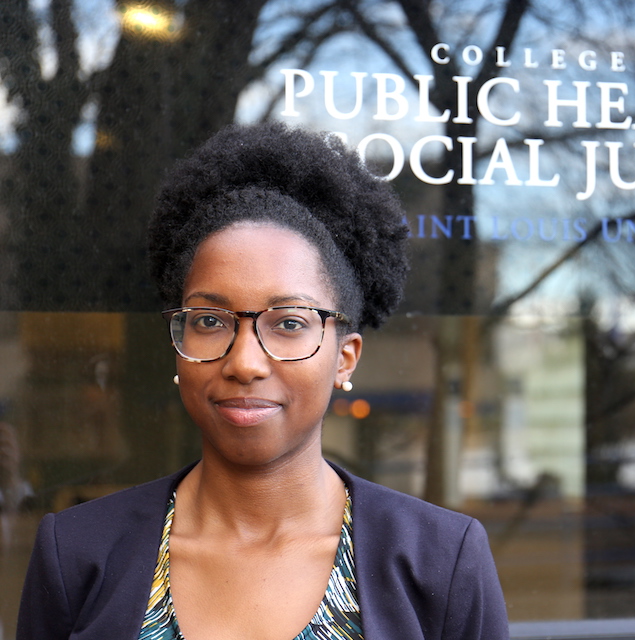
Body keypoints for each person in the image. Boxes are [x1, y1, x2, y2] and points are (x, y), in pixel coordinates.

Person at [16, 123, 509, 640]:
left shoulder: (443, 561)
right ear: (176, 345)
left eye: (290, 322)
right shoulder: (74, 553)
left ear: (345, 358)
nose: (244, 363)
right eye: (209, 321)